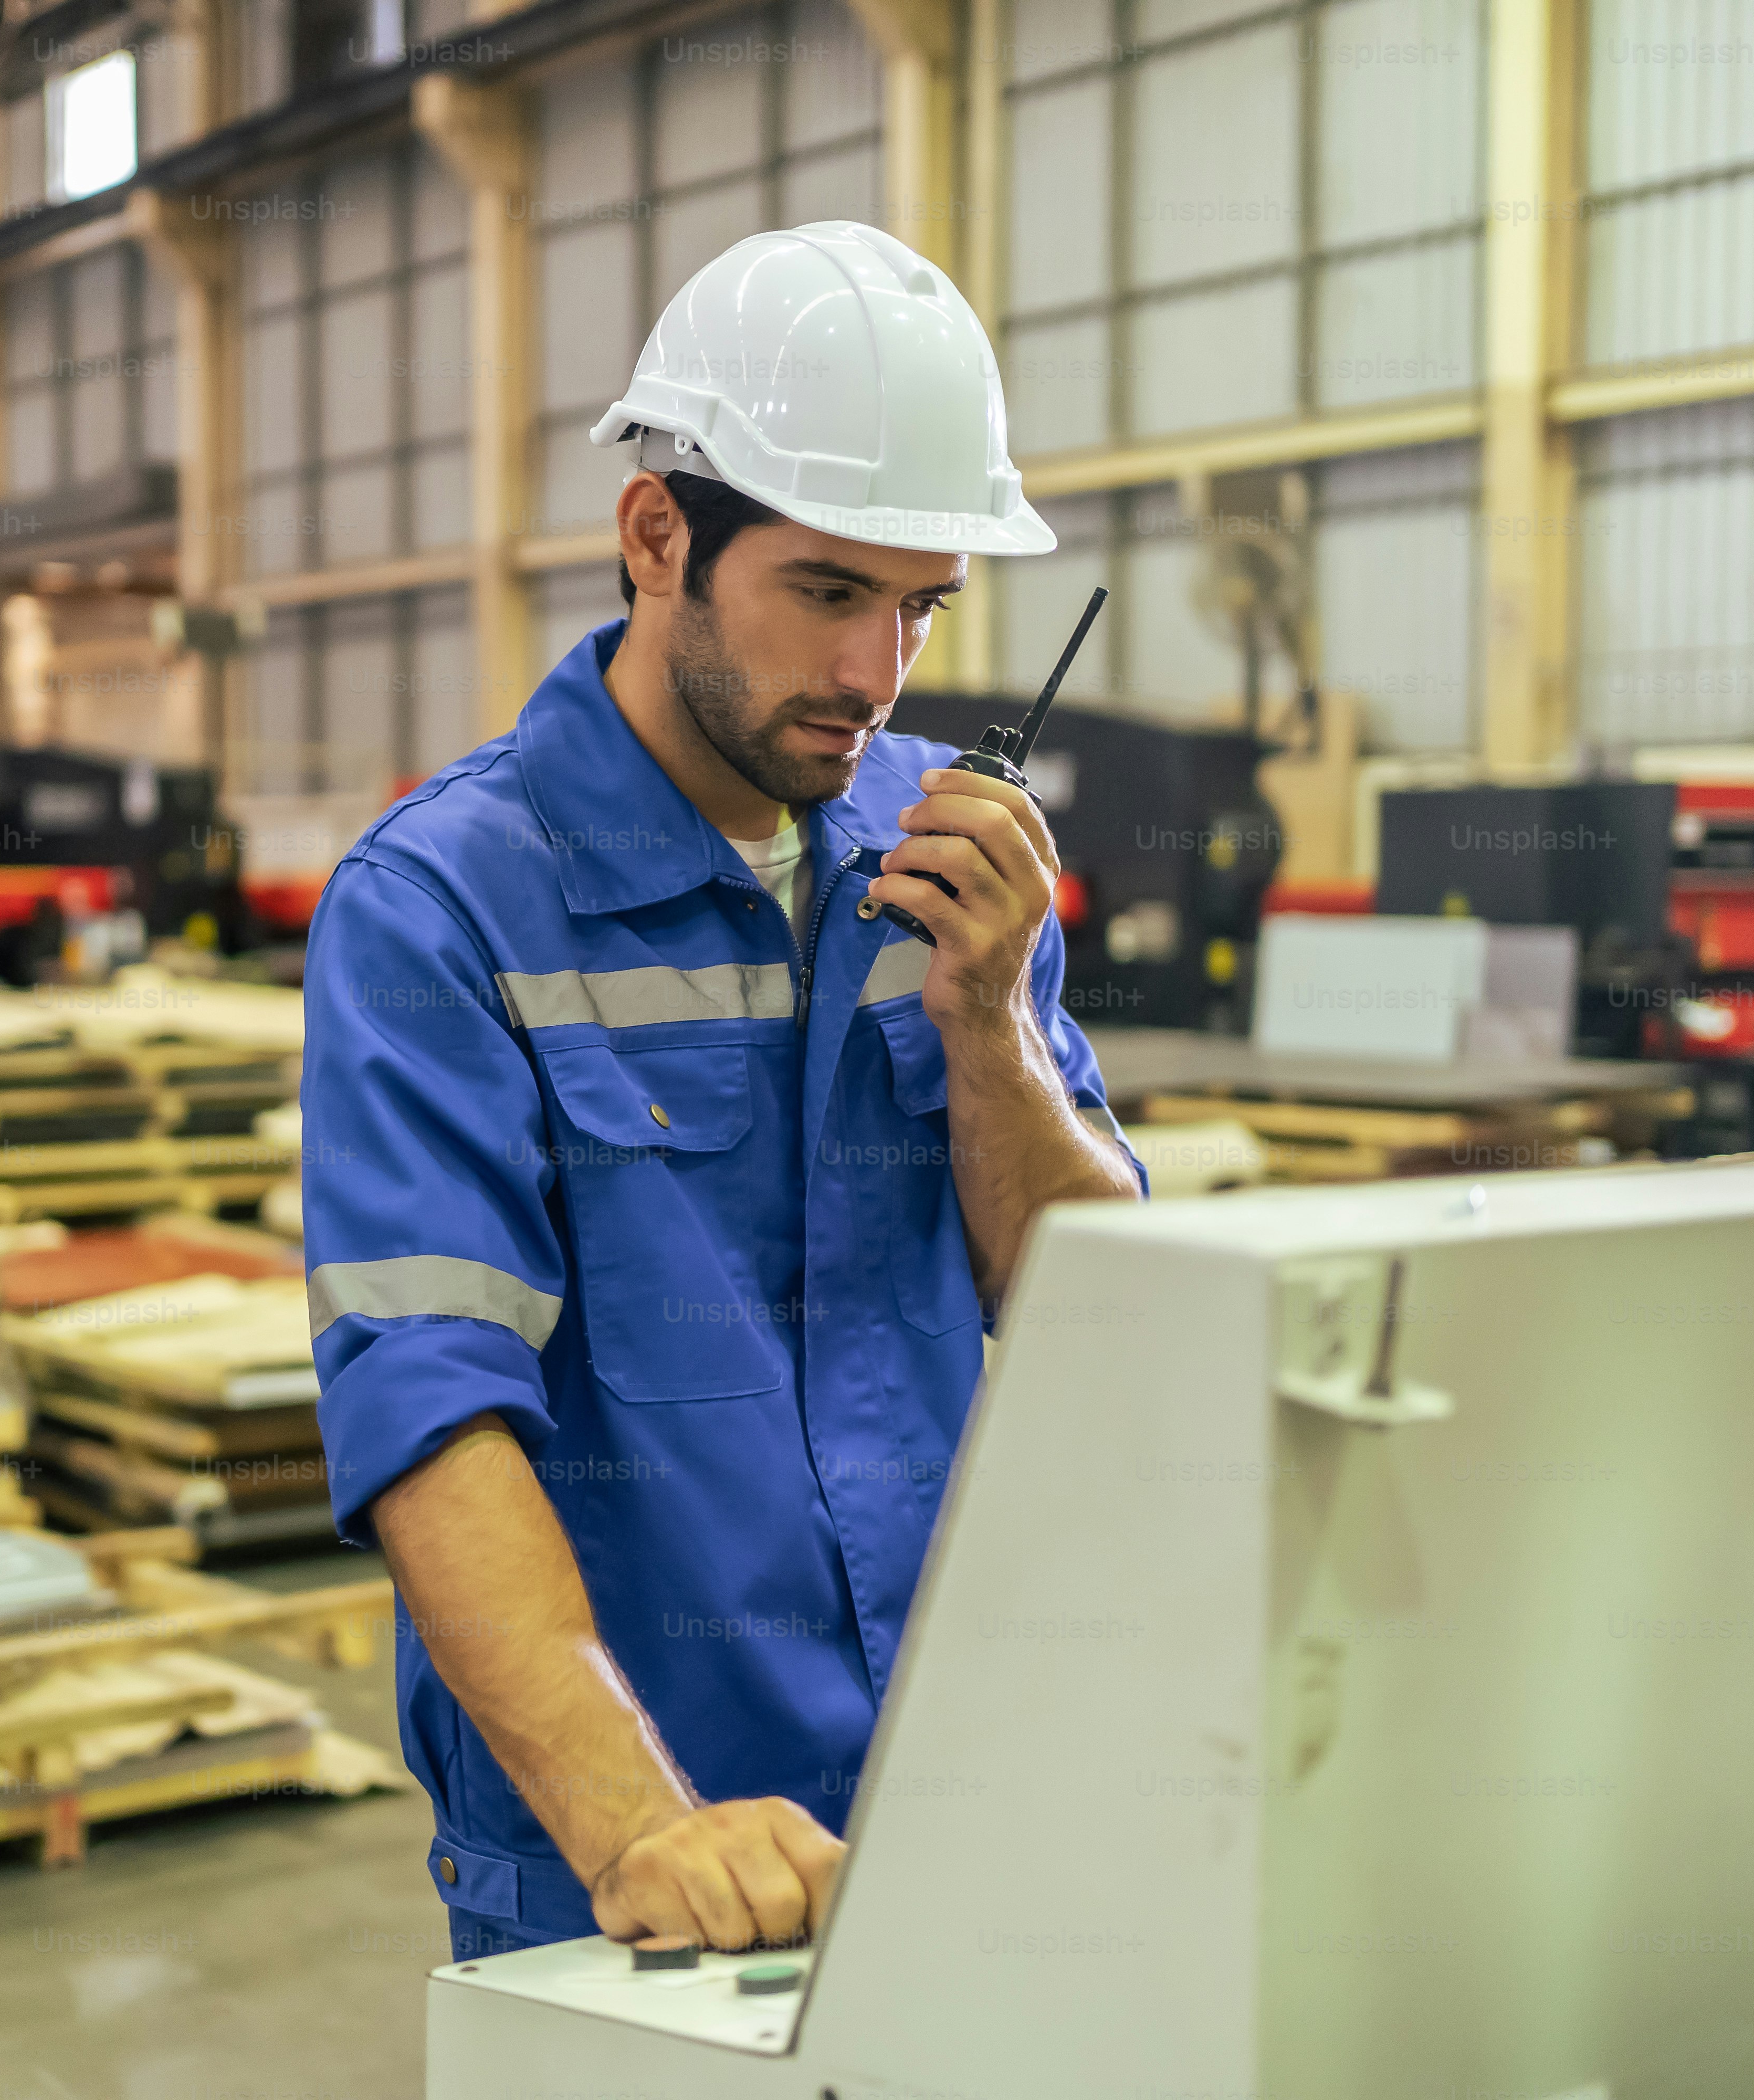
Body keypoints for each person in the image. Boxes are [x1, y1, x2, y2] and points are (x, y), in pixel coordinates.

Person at [301, 221, 1147, 1962]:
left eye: (919, 607)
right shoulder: (445, 905)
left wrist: (985, 1028)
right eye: (828, 593)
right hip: (627, 1846)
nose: (876, 677)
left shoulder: (948, 861)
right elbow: (425, 1401)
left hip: (951, 1787)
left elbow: (1106, 1328)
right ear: (657, 536)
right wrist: (637, 1830)